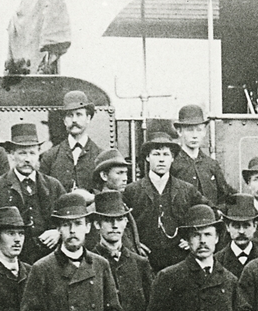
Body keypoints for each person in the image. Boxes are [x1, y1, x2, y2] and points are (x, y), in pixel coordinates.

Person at [0, 123, 67, 266]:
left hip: (50, 260)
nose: (27, 159)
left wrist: (58, 232)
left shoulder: (53, 186)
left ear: (39, 154)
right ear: (12, 155)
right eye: (22, 153)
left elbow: (68, 219)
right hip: (13, 262)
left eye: (32, 153)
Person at [123, 131, 208, 272]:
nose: (161, 160)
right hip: (145, 261)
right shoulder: (133, 190)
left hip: (179, 260)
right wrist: (133, 244)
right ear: (148, 157)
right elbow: (121, 222)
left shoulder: (187, 190)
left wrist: (192, 239)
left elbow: (207, 213)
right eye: (156, 154)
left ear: (172, 158)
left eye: (166, 154)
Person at [40, 90, 104, 192]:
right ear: (64, 120)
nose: (74, 120)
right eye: (70, 115)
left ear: (88, 118)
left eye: (79, 114)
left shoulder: (100, 156)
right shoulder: (50, 157)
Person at [171, 104, 233, 206]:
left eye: (199, 130)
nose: (195, 135)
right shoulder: (173, 164)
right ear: (179, 131)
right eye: (189, 130)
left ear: (204, 132)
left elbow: (224, 196)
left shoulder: (212, 165)